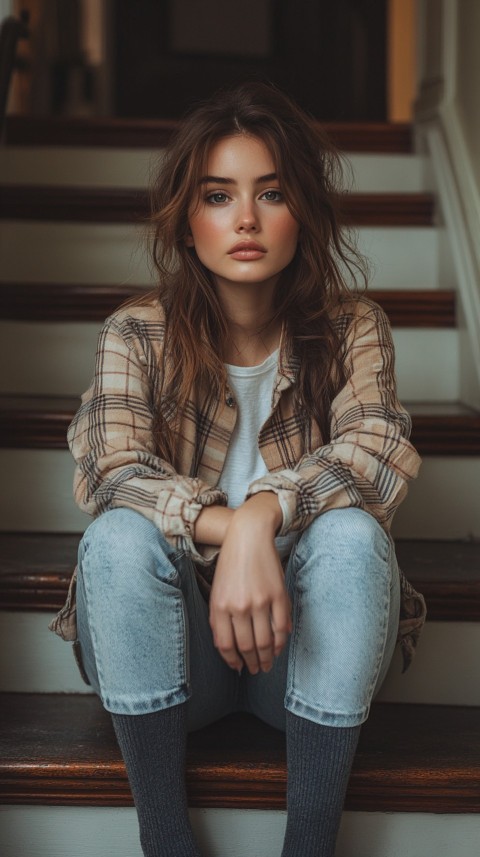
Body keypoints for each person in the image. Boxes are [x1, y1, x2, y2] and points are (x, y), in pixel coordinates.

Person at [50, 81, 426, 857]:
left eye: (272, 193)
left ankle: (310, 843)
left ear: (304, 213)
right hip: (173, 659)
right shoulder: (137, 334)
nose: (246, 219)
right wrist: (224, 526)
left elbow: (377, 451)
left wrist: (265, 516)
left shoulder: (356, 329)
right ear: (188, 223)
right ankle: (164, 836)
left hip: (304, 659)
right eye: (218, 196)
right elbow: (110, 469)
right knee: (118, 538)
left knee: (354, 536)